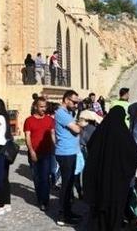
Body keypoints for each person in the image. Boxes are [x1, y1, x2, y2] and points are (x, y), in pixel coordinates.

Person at [82, 106, 137, 230]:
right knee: (116, 207)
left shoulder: (100, 132)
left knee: (100, 205)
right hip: (118, 182)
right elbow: (134, 155)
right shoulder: (124, 135)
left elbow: (90, 148)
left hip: (101, 179)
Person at [55, 90, 83, 226]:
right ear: (66, 100)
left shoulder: (68, 113)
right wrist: (81, 125)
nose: (76, 105)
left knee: (70, 184)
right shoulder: (61, 113)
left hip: (70, 152)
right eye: (74, 102)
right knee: (66, 186)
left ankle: (68, 212)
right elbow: (77, 129)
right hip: (65, 153)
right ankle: (62, 216)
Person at [24, 96, 56, 211]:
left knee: (45, 177)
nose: (43, 109)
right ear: (36, 107)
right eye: (41, 107)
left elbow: (53, 134)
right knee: (36, 178)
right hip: (34, 152)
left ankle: (44, 201)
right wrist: (31, 151)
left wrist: (56, 146)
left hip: (47, 153)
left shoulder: (50, 120)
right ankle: (40, 198)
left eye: (45, 106)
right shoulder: (29, 120)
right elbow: (27, 137)